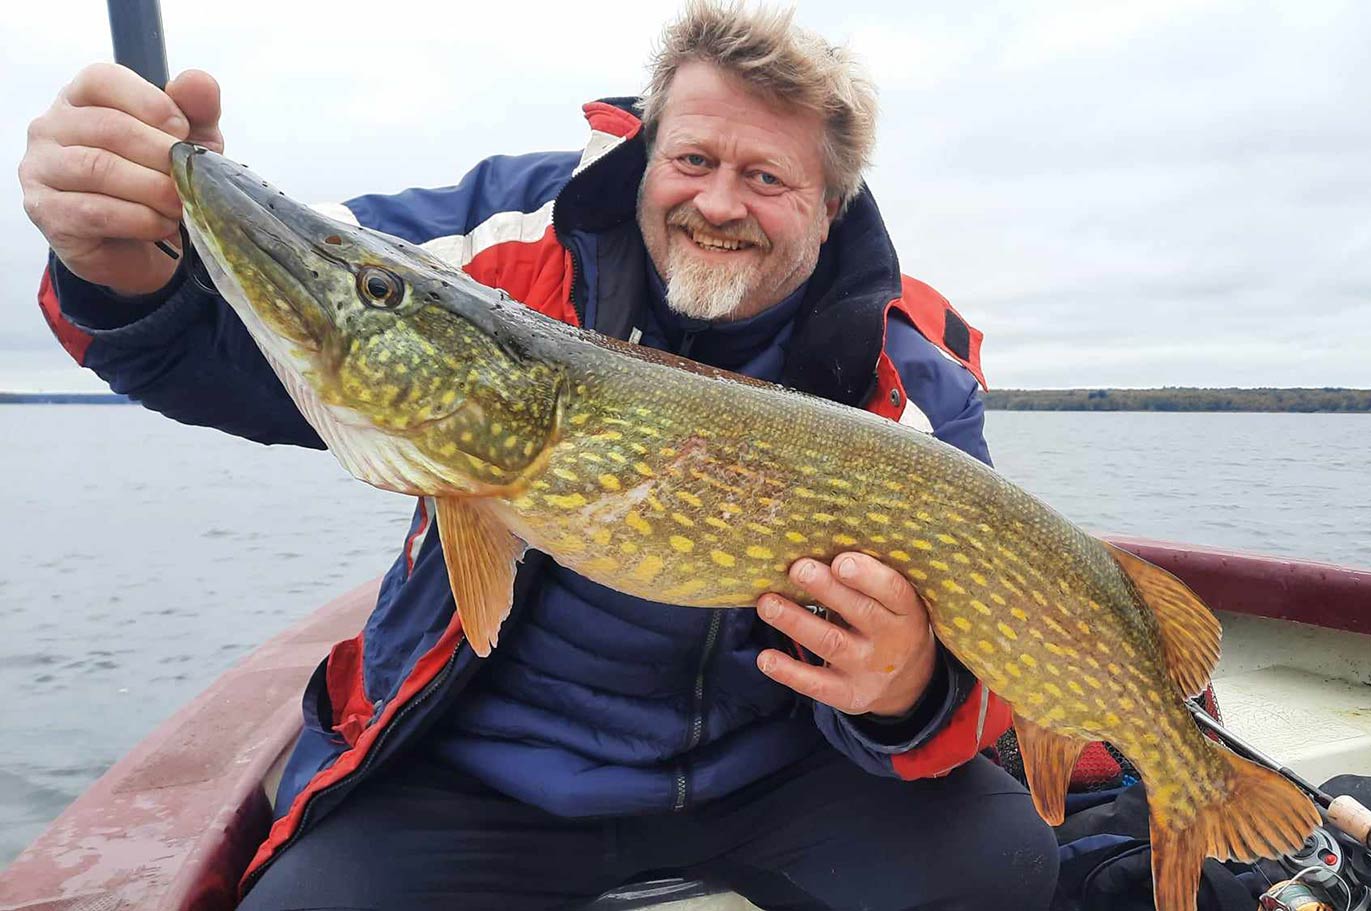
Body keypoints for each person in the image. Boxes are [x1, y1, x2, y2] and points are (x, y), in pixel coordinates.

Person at [19, 3, 1059, 908]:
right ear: (648, 155)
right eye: (692, 159)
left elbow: (1000, 635)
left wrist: (909, 684)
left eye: (767, 176)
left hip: (779, 770)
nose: (719, 201)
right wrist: (125, 268)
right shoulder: (500, 250)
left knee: (1008, 865)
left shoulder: (909, 370)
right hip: (483, 768)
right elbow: (257, 343)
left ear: (829, 208)